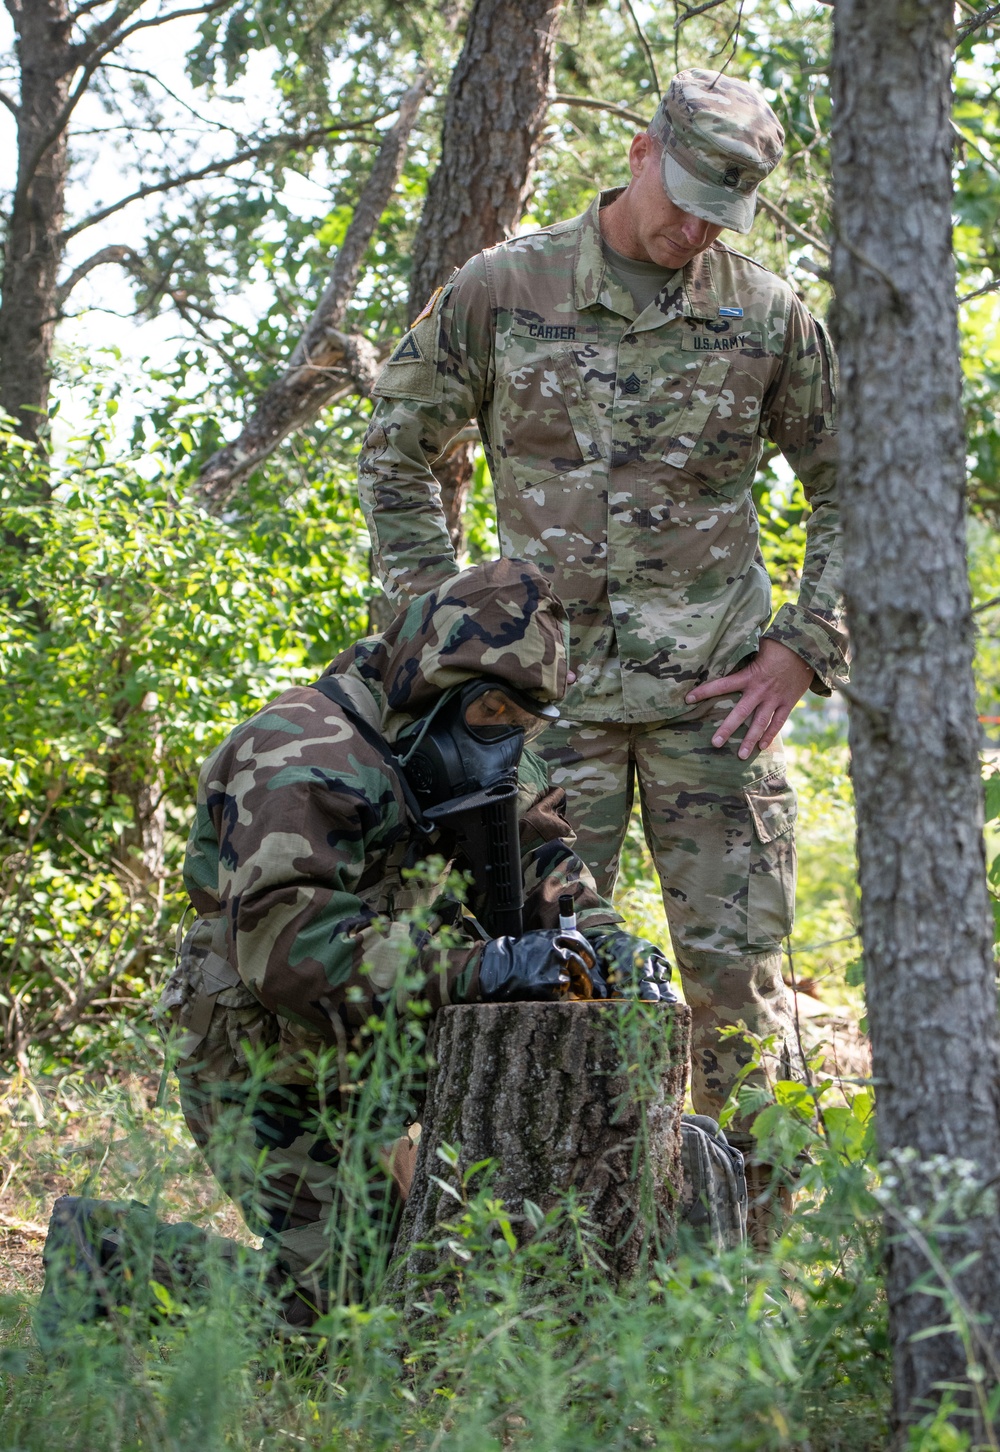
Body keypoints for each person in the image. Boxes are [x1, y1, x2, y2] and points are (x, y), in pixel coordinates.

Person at [356, 69, 846, 1192]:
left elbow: (852, 484)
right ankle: (559, 1254)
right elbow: (397, 452)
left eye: (718, 214)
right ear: (638, 152)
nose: (690, 229)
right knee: (540, 990)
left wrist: (803, 646)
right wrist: (447, 631)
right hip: (544, 720)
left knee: (740, 1009)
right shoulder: (501, 288)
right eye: (681, 198)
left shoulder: (765, 314)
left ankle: (737, 1274)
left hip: (712, 712)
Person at [153, 558, 674, 1324]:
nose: (507, 739)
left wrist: (609, 945)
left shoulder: (471, 736)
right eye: (492, 714)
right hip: (265, 1064)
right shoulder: (301, 756)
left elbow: (545, 870)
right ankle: (106, 1259)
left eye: (524, 722)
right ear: (432, 683)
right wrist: (488, 969)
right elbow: (300, 959)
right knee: (345, 1315)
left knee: (449, 1277)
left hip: (391, 1047)